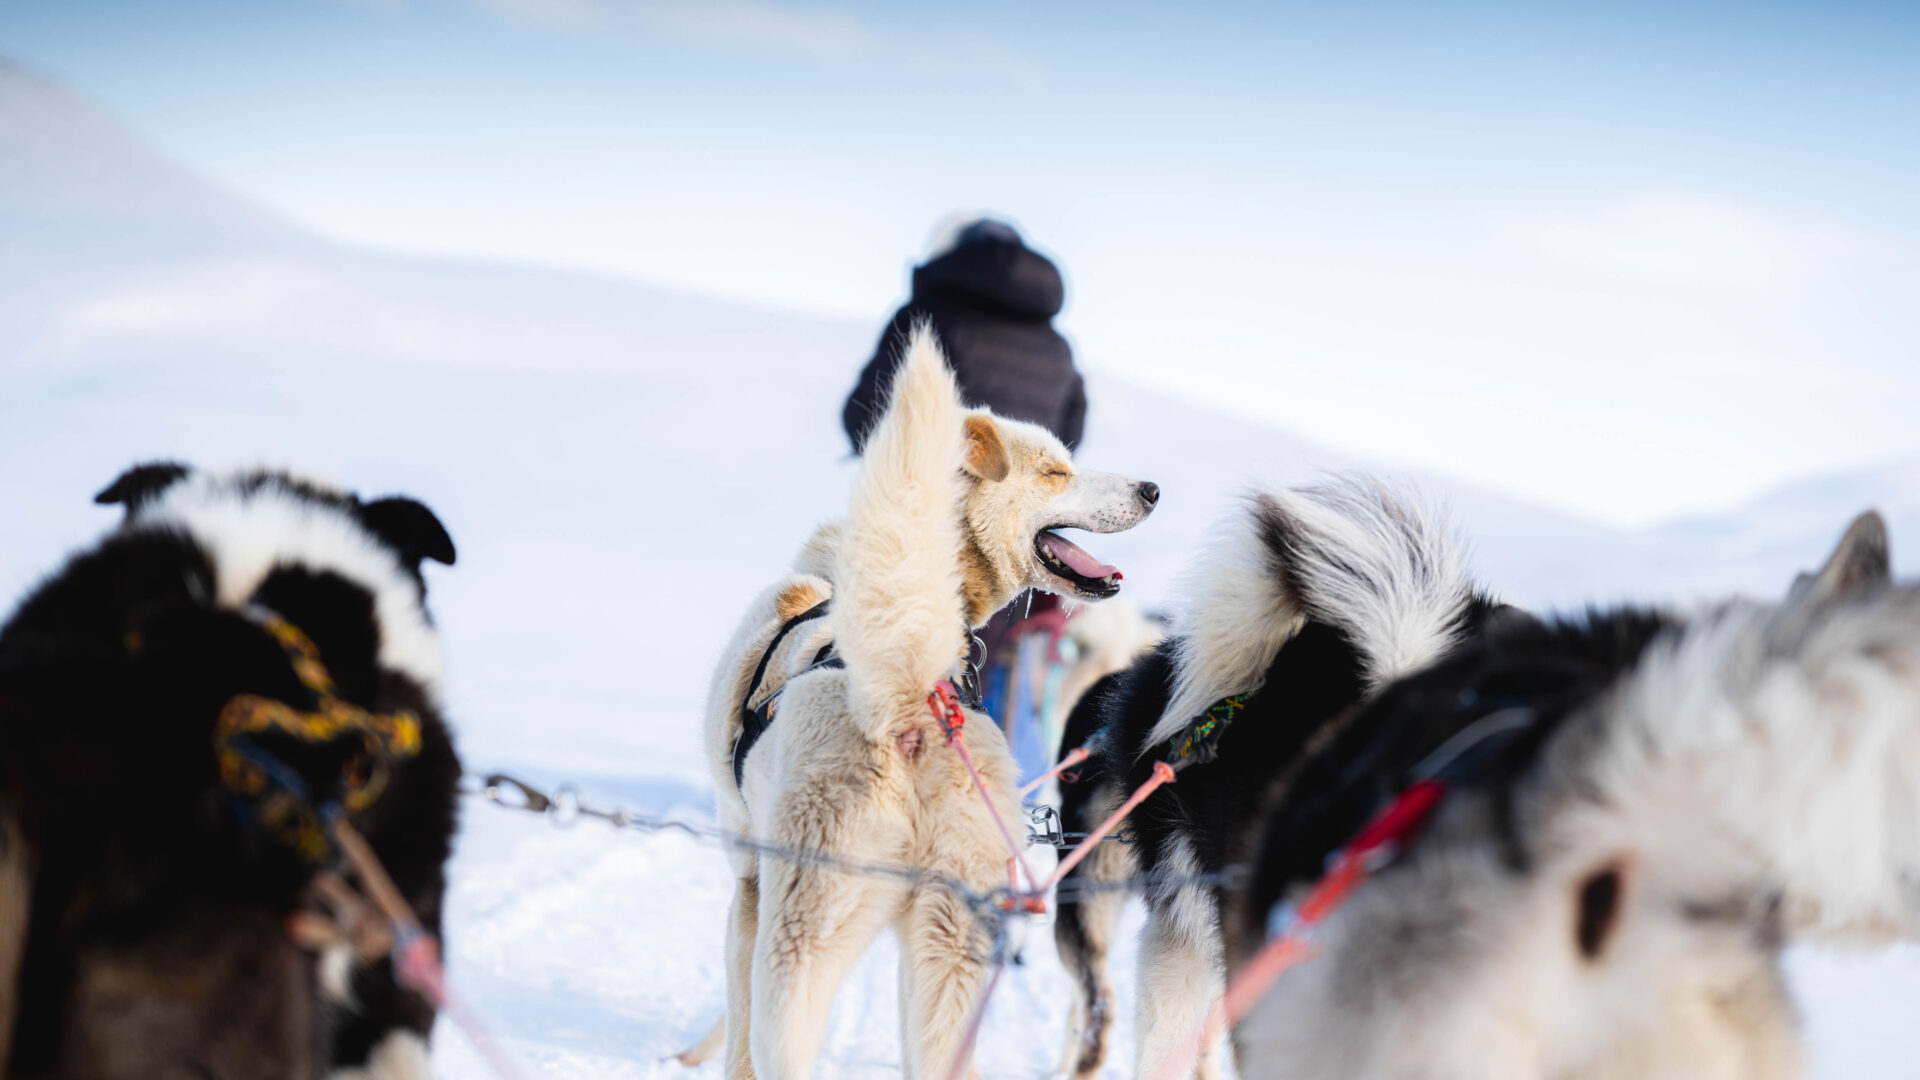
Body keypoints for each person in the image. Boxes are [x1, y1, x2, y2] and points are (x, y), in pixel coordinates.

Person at [841, 217, 1148, 787]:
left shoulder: (928, 317)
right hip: (1021, 544)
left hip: (933, 540)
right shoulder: (1057, 347)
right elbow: (1067, 441)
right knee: (995, 687)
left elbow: (869, 417)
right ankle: (1006, 811)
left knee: (895, 678)